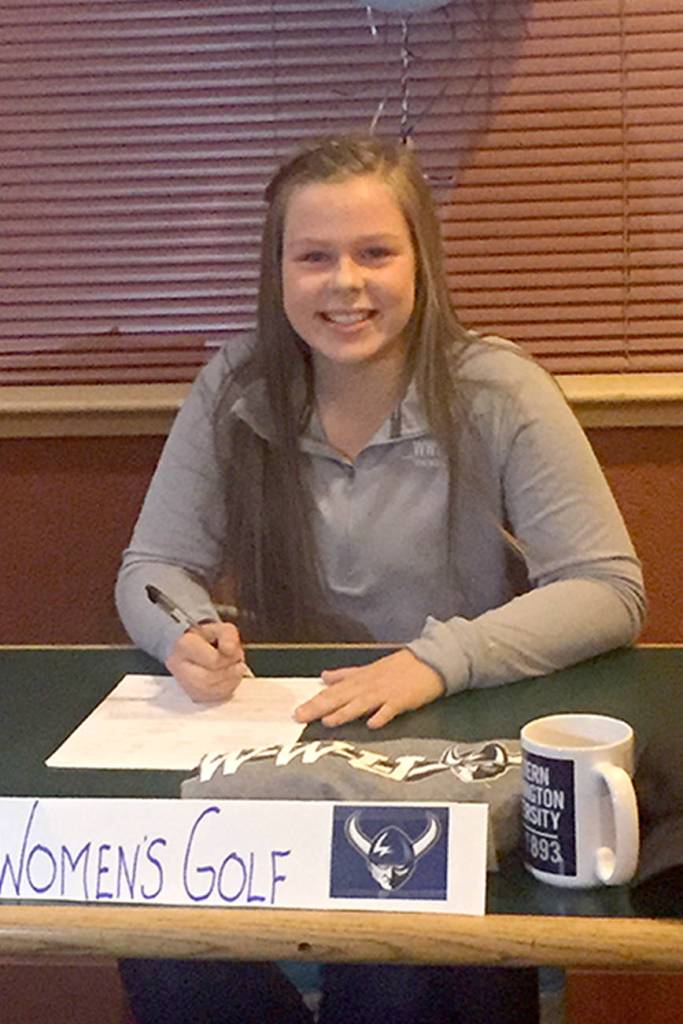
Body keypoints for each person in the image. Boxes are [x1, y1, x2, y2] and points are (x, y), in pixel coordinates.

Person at [115, 134, 645, 1024]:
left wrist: (435, 660)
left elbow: (606, 586)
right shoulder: (233, 386)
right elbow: (151, 568)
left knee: (397, 972)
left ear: (420, 261)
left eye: (374, 253)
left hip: (455, 760)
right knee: (165, 956)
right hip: (291, 758)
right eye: (313, 257)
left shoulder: (499, 388)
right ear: (277, 272)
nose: (345, 284)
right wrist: (184, 631)